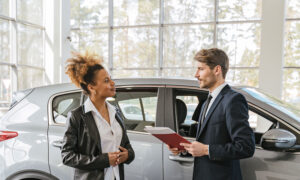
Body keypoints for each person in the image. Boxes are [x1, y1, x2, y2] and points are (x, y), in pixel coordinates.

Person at [169, 48, 255, 180]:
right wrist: (186, 149)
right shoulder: (206, 102)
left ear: (217, 70)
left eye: (201, 69)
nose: (196, 74)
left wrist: (205, 150)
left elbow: (246, 147)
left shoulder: (233, 100)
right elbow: (207, 142)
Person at [61, 51, 135, 180]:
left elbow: (127, 145)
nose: (112, 83)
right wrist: (104, 160)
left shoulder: (115, 112)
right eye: (106, 80)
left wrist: (127, 155)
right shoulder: (77, 116)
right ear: (91, 87)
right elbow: (67, 156)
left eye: (111, 79)